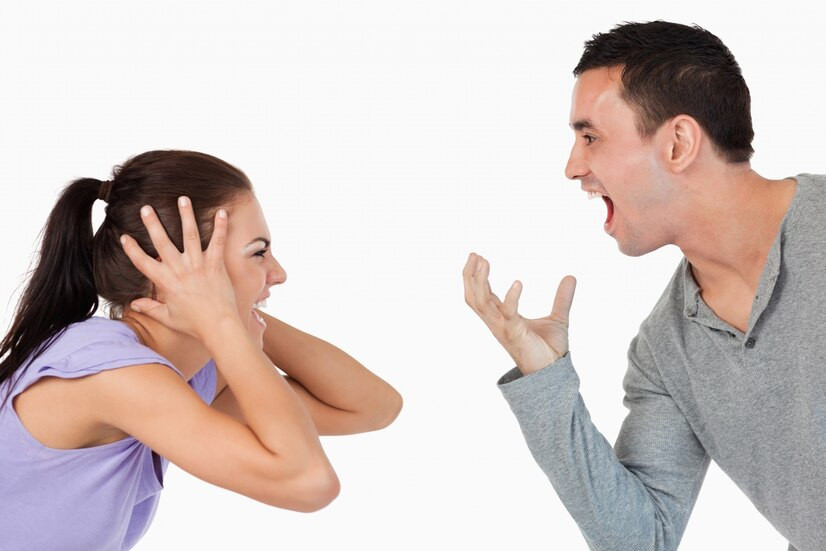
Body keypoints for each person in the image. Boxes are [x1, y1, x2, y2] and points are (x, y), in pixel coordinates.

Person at [463, 21, 823, 551]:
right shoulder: (666, 350)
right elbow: (641, 541)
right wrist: (545, 383)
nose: (572, 167)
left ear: (678, 143)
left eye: (590, 137)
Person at [0, 150, 403, 551]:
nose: (278, 273)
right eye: (258, 252)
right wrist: (220, 319)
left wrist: (219, 313)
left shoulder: (182, 374)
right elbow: (309, 483)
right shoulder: (110, 372)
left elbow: (372, 407)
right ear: (174, 271)